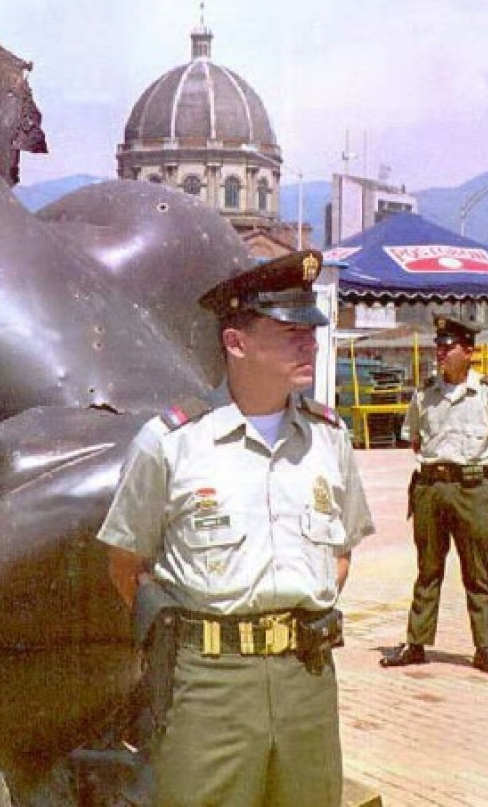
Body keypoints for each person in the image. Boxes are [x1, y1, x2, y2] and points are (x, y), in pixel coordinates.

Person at [97, 250, 375, 807]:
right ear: (236, 342)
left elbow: (339, 554)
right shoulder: (173, 443)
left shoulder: (328, 439)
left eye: (311, 330)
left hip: (307, 677)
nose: (310, 343)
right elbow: (126, 564)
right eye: (290, 330)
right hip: (210, 685)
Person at [381, 315, 488, 675]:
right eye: (438, 345)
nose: (440, 352)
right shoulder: (425, 394)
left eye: (448, 346)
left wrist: (482, 473)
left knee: (476, 571)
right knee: (427, 569)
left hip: (473, 490)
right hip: (430, 488)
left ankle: (483, 647)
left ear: (469, 352)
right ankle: (416, 643)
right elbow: (414, 439)